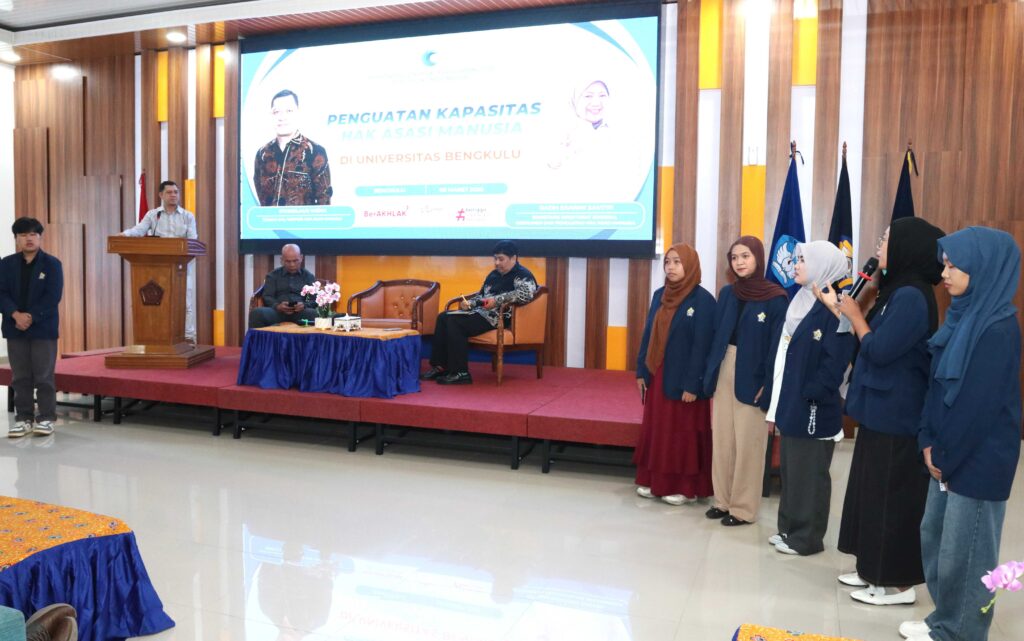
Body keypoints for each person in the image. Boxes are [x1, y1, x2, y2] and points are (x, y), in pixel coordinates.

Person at [898, 227, 1021, 641]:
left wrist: (945, 456)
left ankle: (963, 632)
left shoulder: (998, 329)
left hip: (977, 460)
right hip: (945, 452)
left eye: (953, 266)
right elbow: (936, 388)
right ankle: (945, 620)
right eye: (944, 264)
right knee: (937, 540)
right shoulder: (961, 317)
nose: (944, 273)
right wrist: (927, 441)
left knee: (967, 553)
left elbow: (978, 409)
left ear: (982, 268)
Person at [835, 218, 945, 606]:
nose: (879, 245)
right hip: (879, 409)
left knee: (891, 499)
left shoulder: (912, 296)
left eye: (886, 239)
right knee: (870, 493)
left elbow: (880, 350)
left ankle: (896, 583)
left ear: (907, 247)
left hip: (897, 414)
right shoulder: (895, 290)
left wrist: (855, 316)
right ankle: (871, 567)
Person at [764, 241, 855, 556]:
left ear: (821, 265)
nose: (796, 265)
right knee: (792, 469)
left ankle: (807, 538)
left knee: (811, 474)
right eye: (796, 259)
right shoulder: (800, 300)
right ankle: (789, 529)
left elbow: (838, 357)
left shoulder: (835, 306)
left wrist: (813, 390)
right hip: (792, 401)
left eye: (803, 260)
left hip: (814, 404)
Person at [703, 237, 788, 525]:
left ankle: (742, 509)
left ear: (758, 258)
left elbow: (778, 347)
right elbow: (716, 334)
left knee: (749, 444)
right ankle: (722, 501)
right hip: (724, 368)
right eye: (734, 257)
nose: (739, 262)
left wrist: (769, 382)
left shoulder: (775, 297)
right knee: (722, 440)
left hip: (754, 375)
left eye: (745, 256)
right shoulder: (728, 293)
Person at [633, 244, 716, 505]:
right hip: (658, 374)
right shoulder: (660, 295)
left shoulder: (703, 301)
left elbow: (702, 347)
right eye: (668, 262)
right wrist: (641, 370)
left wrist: (693, 385)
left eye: (677, 262)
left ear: (690, 265)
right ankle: (654, 481)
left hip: (685, 381)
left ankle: (684, 487)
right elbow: (648, 334)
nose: (670, 267)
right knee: (658, 430)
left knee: (682, 434)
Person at [420, 240, 537, 385]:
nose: (497, 263)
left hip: (498, 317)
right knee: (443, 317)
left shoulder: (523, 275)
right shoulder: (493, 275)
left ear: (513, 258)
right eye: (495, 259)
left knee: (455, 322)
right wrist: (471, 303)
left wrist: (496, 300)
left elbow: (526, 294)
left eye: (501, 259)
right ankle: (441, 367)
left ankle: (460, 373)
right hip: (481, 313)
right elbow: (481, 295)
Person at [0, 217, 64, 438]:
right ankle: (23, 418)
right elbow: (1, 293)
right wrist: (15, 314)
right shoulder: (6, 264)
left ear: (40, 237)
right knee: (20, 376)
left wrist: (30, 317)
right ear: (16, 239)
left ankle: (46, 418)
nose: (29, 239)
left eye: (33, 234)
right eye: (23, 235)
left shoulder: (52, 264)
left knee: (44, 376)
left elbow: (52, 296)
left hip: (43, 328)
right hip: (14, 326)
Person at [121, 180, 198, 341]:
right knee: (159, 302)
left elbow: (193, 242)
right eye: (169, 192)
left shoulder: (187, 216)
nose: (173, 195)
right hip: (157, 270)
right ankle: (159, 337)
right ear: (161, 195)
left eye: (176, 192)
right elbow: (139, 230)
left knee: (185, 304)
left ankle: (188, 338)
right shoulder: (153, 215)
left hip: (182, 268)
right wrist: (124, 234)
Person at [253, 89, 333, 207]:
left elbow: (324, 201)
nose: (282, 117)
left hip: (304, 219)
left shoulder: (315, 151)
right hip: (269, 219)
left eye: (289, 111)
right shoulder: (263, 154)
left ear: (298, 113)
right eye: (276, 112)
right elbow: (261, 196)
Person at [249, 244, 318, 329]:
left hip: (301, 313)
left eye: (295, 261)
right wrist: (277, 306)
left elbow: (313, 299)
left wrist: (304, 305)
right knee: (257, 313)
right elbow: (267, 296)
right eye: (288, 261)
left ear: (301, 258)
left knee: (316, 315)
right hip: (278, 312)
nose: (292, 264)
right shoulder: (273, 275)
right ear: (282, 260)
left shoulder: (308, 276)